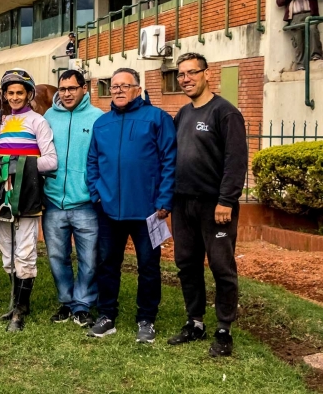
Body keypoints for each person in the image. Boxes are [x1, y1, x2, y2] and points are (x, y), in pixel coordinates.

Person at [86, 68, 176, 343]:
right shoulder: (102, 123)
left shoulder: (157, 119)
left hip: (149, 210)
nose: (118, 91)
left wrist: (164, 200)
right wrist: (96, 193)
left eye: (125, 86)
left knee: (148, 266)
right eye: (114, 87)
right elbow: (92, 163)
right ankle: (106, 316)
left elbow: (169, 161)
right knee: (107, 264)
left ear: (138, 88)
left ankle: (146, 319)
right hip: (109, 209)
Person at [167, 53, 247, 358]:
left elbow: (236, 160)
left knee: (221, 266)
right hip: (182, 202)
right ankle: (195, 322)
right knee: (187, 264)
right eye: (181, 74)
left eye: (192, 72)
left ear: (207, 74)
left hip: (215, 206)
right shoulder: (183, 114)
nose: (186, 78)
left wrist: (226, 200)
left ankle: (224, 329)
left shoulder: (225, 113)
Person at [0, 69, 56, 331]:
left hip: (28, 195)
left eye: (20, 92)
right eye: (11, 93)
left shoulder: (38, 122)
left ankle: (20, 310)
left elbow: (51, 160)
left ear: (29, 94)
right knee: (7, 254)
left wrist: (18, 165)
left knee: (25, 253)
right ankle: (16, 303)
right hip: (2, 196)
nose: (15, 97)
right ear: (5, 95)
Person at [42, 70, 103, 328]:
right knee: (57, 257)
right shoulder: (48, 117)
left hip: (86, 203)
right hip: (54, 201)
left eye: (72, 88)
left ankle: (83, 305)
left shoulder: (98, 118)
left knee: (90, 258)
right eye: (63, 88)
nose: (66, 93)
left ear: (84, 89)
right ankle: (66, 303)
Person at [276, 0, 323, 70]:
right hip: (295, 16)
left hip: (310, 14)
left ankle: (316, 56)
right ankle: (300, 63)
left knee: (313, 29)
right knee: (297, 38)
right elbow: (279, 2)